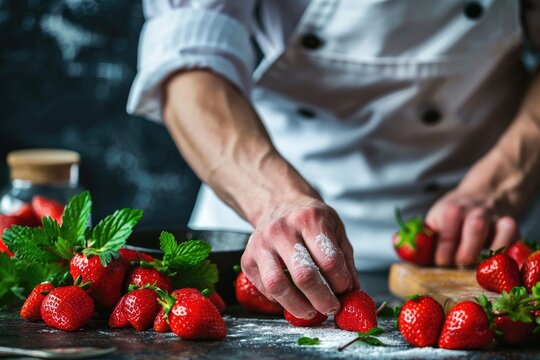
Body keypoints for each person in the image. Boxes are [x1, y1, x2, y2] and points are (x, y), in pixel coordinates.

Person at [128, 1, 540, 319]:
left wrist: (502, 180)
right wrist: (274, 200)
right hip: (261, 211)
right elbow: (188, 60)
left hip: (480, 224)